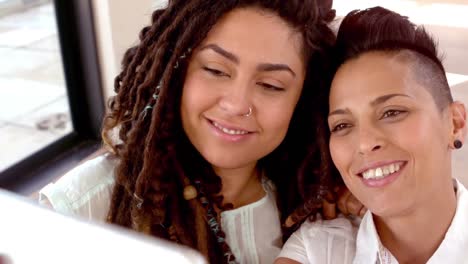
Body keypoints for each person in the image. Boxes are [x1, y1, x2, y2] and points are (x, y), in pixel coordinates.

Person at [37, 1, 354, 263]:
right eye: (215, 70)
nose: (236, 104)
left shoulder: (320, 199)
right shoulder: (81, 208)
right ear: (176, 70)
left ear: (303, 99)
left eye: (271, 85)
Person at [276, 6, 468, 264]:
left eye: (392, 112)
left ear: (455, 123)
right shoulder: (318, 252)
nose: (365, 143)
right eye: (342, 125)